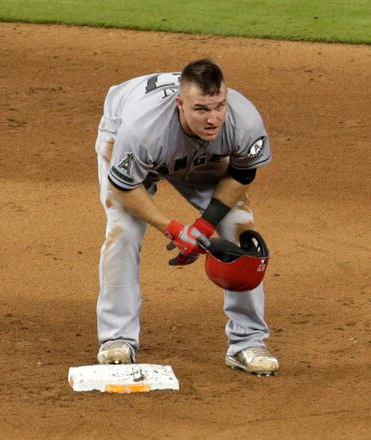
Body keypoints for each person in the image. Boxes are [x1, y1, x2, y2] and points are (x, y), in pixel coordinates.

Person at [93, 59, 279, 376]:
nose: (213, 118)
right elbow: (125, 186)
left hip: (203, 157)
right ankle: (117, 340)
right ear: (181, 104)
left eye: (219, 106)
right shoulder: (142, 127)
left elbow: (241, 175)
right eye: (202, 109)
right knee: (123, 231)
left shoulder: (243, 120)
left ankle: (248, 343)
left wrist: (205, 225)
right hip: (134, 144)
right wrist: (175, 229)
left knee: (238, 228)